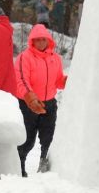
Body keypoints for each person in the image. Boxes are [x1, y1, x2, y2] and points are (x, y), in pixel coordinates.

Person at [14, 24, 67, 177]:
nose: (41, 43)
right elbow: (22, 80)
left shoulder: (55, 58)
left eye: (43, 39)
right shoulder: (25, 57)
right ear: (32, 41)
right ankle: (20, 166)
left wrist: (68, 81)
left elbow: (58, 81)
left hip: (49, 103)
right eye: (37, 40)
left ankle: (44, 164)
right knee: (27, 139)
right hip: (29, 104)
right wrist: (31, 98)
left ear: (48, 40)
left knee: (48, 137)